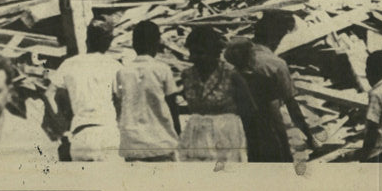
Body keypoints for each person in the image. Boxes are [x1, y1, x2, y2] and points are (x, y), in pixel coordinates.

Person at [245, 10, 318, 159]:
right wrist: (310, 138)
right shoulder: (275, 64)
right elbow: (292, 106)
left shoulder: (235, 57)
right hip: (270, 129)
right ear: (275, 37)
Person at [179, 25, 256, 163]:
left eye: (200, 53)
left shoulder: (231, 74)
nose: (194, 58)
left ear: (213, 52)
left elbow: (249, 109)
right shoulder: (188, 75)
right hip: (195, 135)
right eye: (192, 52)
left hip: (225, 135)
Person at [52, 18, 122, 161]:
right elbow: (123, 101)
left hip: (80, 135)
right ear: (108, 42)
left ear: (87, 38)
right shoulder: (114, 66)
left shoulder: (69, 64)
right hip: (108, 132)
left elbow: (49, 94)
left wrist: (61, 126)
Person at [116, 20, 181, 162]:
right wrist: (178, 133)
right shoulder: (162, 69)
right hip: (160, 141)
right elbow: (172, 106)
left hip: (132, 144)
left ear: (133, 44)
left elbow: (119, 105)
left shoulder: (122, 72)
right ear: (157, 43)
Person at [224, 37, 292, 163]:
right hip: (268, 126)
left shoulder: (230, 79)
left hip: (248, 127)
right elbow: (276, 110)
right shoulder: (262, 77)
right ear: (251, 55)